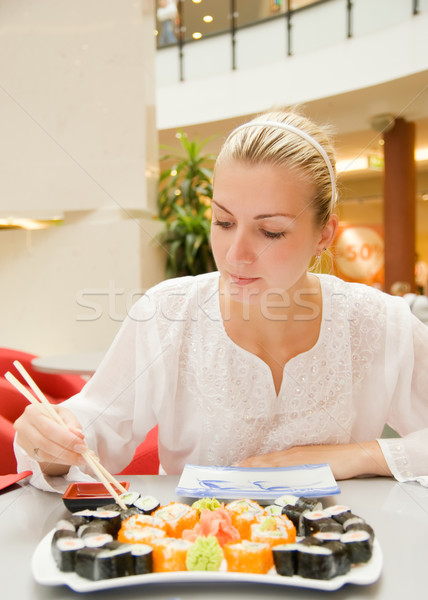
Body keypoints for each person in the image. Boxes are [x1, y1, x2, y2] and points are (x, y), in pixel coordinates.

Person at [14, 109, 428, 491]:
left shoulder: (380, 322)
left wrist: (356, 456)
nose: (235, 255)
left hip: (344, 554)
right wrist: (50, 446)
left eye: (271, 232)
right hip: (197, 557)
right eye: (223, 222)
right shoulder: (168, 314)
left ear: (324, 234)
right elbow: (92, 431)